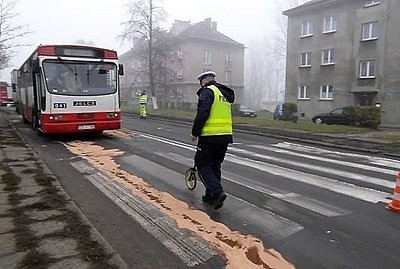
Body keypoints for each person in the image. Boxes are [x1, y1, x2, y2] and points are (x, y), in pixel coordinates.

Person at [191, 71, 235, 210]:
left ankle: (216, 192)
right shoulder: (223, 93)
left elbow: (203, 112)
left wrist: (195, 132)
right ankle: (210, 196)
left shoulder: (208, 91)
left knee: (202, 165)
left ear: (203, 81)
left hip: (209, 137)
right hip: (225, 136)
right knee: (215, 165)